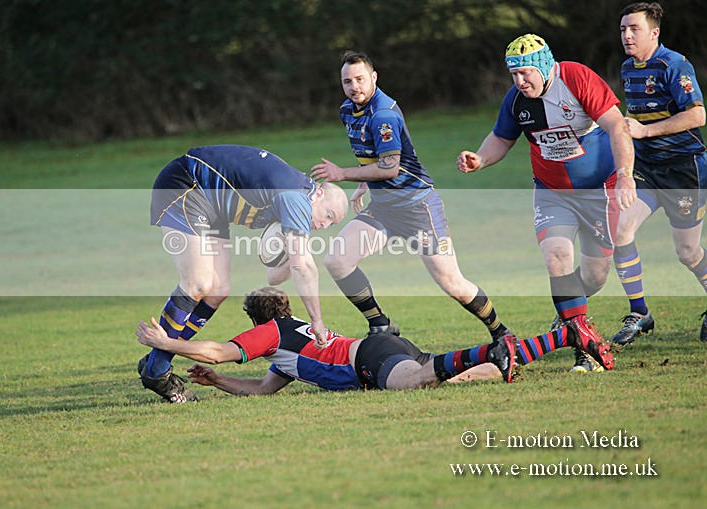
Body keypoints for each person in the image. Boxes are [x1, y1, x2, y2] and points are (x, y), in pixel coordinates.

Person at [456, 34, 637, 372]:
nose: (519, 81)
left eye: (525, 73)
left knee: (596, 276)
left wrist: (625, 174)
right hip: (552, 193)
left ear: (544, 66)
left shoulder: (577, 78)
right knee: (557, 256)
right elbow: (500, 138)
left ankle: (569, 313)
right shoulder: (516, 101)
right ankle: (584, 347)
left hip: (599, 189)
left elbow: (617, 127)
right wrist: (479, 159)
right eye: (513, 75)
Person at [310, 51, 512, 344]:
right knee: (337, 260)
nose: (354, 87)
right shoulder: (347, 110)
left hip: (417, 207)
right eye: (347, 81)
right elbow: (376, 157)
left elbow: (390, 168)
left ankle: (501, 332)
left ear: (374, 78)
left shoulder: (383, 114)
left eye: (360, 79)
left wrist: (343, 174)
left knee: (451, 282)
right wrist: (365, 183)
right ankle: (381, 324)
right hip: (383, 208)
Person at [139, 145, 348, 403]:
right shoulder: (296, 198)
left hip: (212, 207)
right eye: (328, 215)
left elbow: (273, 276)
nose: (324, 225)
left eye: (332, 224)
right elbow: (303, 268)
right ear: (318, 195)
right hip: (186, 185)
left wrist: (294, 252)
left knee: (218, 291)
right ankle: (157, 370)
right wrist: (317, 321)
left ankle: (156, 362)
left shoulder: (296, 198)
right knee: (199, 283)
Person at [135, 286, 613, 397]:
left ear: (259, 322)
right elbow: (260, 389)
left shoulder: (272, 334)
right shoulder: (288, 353)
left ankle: (495, 346)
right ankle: (562, 335)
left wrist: (167, 341)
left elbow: (217, 346)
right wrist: (219, 382)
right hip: (380, 348)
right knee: (485, 374)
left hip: (370, 359)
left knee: (415, 383)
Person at [612, 2, 707, 344]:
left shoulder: (674, 64)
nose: (626, 35)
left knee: (687, 252)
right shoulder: (627, 68)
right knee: (620, 228)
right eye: (623, 29)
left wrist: (646, 132)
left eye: (634, 29)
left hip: (685, 171)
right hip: (647, 171)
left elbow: (698, 116)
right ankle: (639, 313)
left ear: (654, 32)